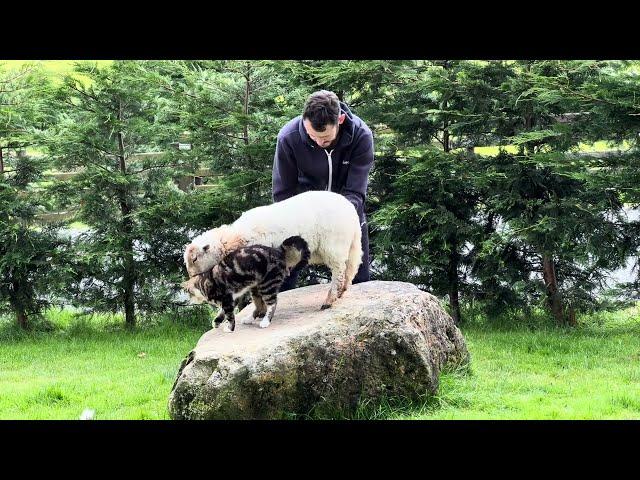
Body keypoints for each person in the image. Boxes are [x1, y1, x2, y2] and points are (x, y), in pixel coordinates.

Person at [272, 89, 374, 290]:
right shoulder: (288, 137)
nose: (319, 143)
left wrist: (334, 218)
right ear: (304, 121)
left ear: (341, 120)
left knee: (358, 282)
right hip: (300, 220)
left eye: (326, 139)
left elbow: (356, 193)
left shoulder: (361, 136)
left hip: (346, 216)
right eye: (312, 136)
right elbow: (282, 194)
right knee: (279, 283)